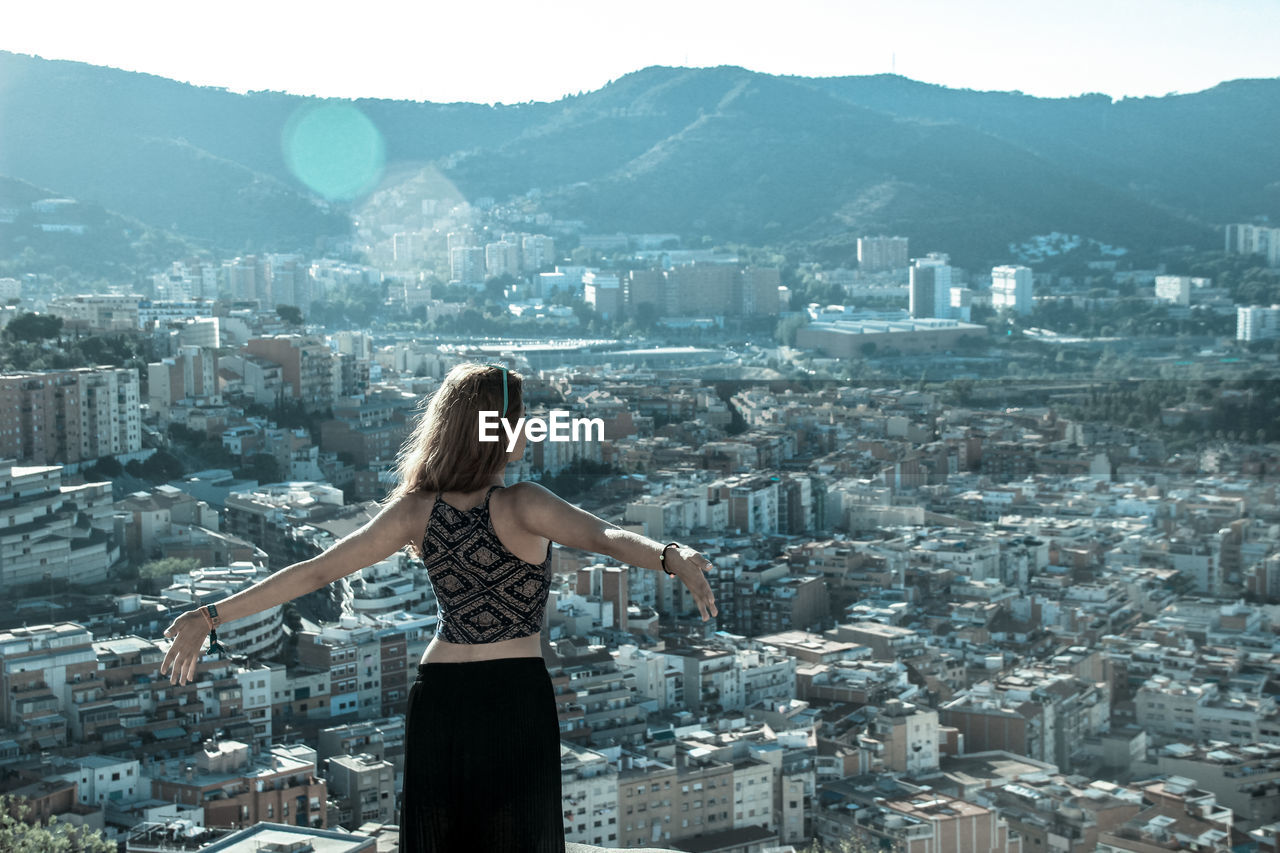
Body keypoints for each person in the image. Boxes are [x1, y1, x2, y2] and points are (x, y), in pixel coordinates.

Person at [160, 363, 718, 852]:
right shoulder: (523, 503)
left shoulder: (416, 512)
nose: (527, 427)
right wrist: (673, 556)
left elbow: (315, 572)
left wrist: (209, 616)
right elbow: (609, 538)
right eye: (518, 415)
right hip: (512, 694)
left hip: (440, 697)